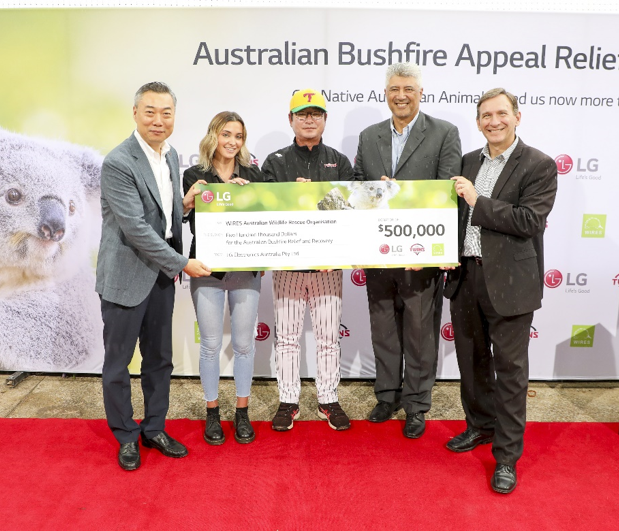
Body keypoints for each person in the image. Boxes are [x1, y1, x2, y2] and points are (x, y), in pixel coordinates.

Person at [443, 88, 557, 494]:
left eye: (501, 113)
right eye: (485, 115)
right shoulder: (468, 161)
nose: (493, 121)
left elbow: (529, 220)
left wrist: (479, 199)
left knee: (510, 373)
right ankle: (480, 427)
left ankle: (506, 457)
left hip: (510, 284)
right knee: (472, 365)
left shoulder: (539, 164)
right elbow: (450, 214)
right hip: (465, 277)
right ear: (477, 122)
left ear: (517, 116)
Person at [97, 81, 212, 471]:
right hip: (126, 277)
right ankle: (126, 435)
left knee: (159, 359)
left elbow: (161, 218)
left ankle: (154, 427)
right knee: (118, 363)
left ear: (174, 117)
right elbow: (136, 229)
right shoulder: (118, 162)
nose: (158, 121)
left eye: (166, 113)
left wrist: (185, 205)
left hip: (161, 277)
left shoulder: (172, 154)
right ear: (135, 114)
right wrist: (182, 262)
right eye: (150, 112)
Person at [354, 62, 462, 439]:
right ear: (386, 93)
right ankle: (387, 394)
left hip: (420, 254)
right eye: (394, 89)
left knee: (419, 332)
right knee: (383, 326)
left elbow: (448, 194)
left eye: (408, 89)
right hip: (378, 252)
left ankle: (417, 404)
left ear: (420, 93)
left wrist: (405, 199)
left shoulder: (444, 133)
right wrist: (376, 192)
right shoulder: (369, 137)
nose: (401, 95)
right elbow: (355, 187)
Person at [260, 89, 355, 431]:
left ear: (325, 119)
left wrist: (317, 196)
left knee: (329, 337)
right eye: (302, 114)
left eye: (316, 113)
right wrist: (294, 197)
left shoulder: (340, 162)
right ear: (291, 120)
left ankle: (328, 399)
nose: (310, 119)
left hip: (327, 266)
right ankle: (288, 400)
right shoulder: (276, 161)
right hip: (288, 265)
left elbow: (351, 211)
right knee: (286, 337)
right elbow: (264, 210)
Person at [183, 112, 264, 445]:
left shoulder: (253, 175)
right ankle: (213, 411)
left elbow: (268, 218)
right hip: (207, 270)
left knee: (244, 346)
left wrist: (247, 198)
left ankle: (242, 412)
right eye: (226, 134)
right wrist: (189, 200)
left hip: (245, 271)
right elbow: (180, 216)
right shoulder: (195, 174)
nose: (232, 142)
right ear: (213, 135)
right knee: (211, 347)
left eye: (239, 136)